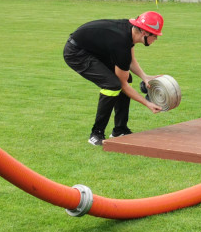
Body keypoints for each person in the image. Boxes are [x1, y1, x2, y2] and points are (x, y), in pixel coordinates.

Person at [64, 11, 164, 146]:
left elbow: (130, 60)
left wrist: (144, 76)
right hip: (76, 53)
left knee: (125, 79)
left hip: (93, 50)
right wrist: (148, 104)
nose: (156, 39)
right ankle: (96, 134)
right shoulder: (121, 42)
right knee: (112, 85)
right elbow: (122, 85)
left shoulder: (130, 31)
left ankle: (120, 130)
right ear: (145, 33)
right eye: (155, 36)